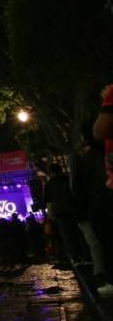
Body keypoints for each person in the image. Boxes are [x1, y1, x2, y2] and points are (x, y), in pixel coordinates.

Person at [71, 120, 113, 296]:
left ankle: (107, 278)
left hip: (98, 204)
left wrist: (81, 212)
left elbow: (77, 188)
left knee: (105, 243)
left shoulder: (82, 158)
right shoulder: (106, 151)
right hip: (104, 199)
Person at [44, 163, 81, 267]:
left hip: (59, 212)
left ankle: (75, 258)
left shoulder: (49, 183)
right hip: (72, 209)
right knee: (77, 232)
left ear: (51, 172)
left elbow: (46, 200)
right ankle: (83, 256)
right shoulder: (68, 179)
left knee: (67, 236)